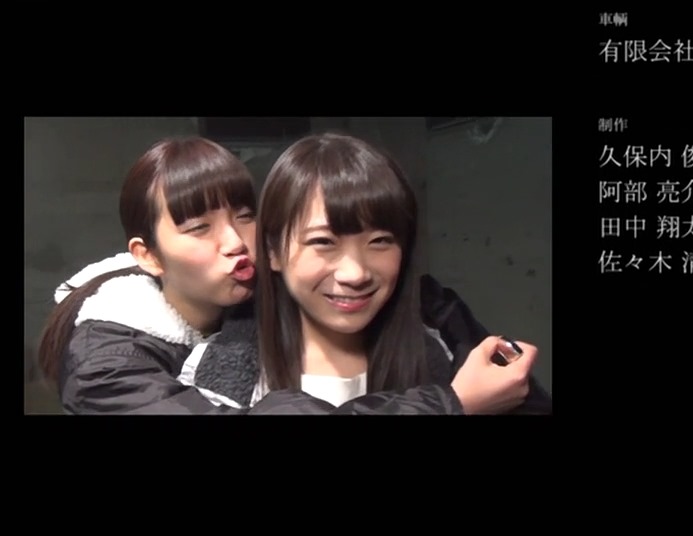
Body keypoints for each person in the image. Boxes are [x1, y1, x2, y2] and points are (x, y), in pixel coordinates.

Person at [37, 136, 534, 414]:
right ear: (147, 255)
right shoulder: (114, 360)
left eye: (244, 216)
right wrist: (452, 404)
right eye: (198, 227)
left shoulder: (432, 331)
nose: (236, 243)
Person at [184, 133, 552, 414]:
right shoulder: (214, 374)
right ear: (272, 252)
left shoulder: (446, 355)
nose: (355, 273)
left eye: (380, 241)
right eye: (323, 242)